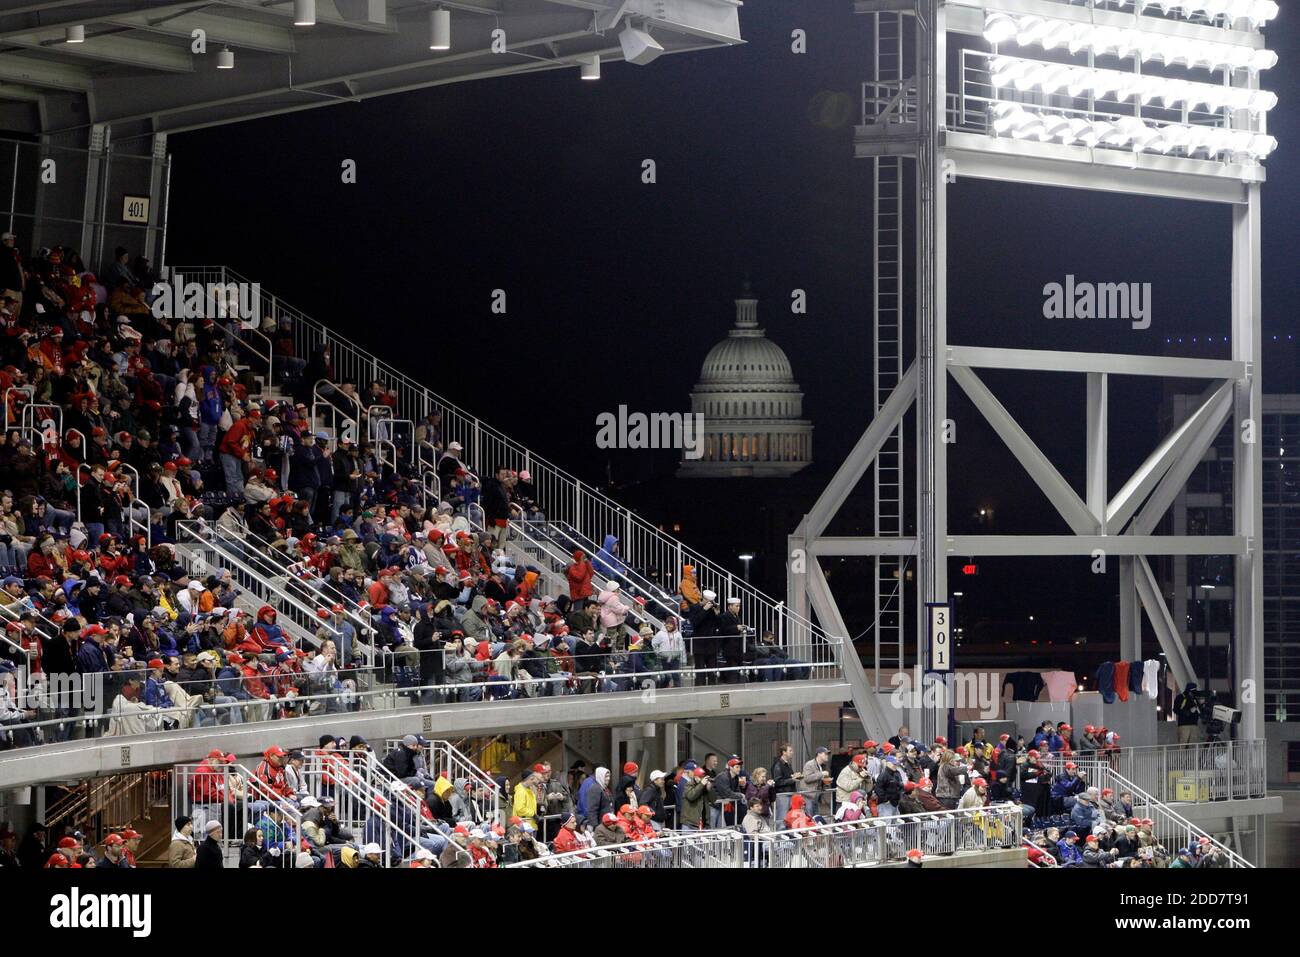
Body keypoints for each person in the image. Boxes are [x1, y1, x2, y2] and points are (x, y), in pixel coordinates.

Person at [799, 746, 832, 817]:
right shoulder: (809, 764)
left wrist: (826, 782)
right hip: (808, 796)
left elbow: (818, 779)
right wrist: (821, 774)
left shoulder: (822, 766)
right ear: (819, 754)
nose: (827, 756)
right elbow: (807, 778)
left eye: (827, 754)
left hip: (816, 796)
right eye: (825, 754)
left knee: (815, 818)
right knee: (809, 817)